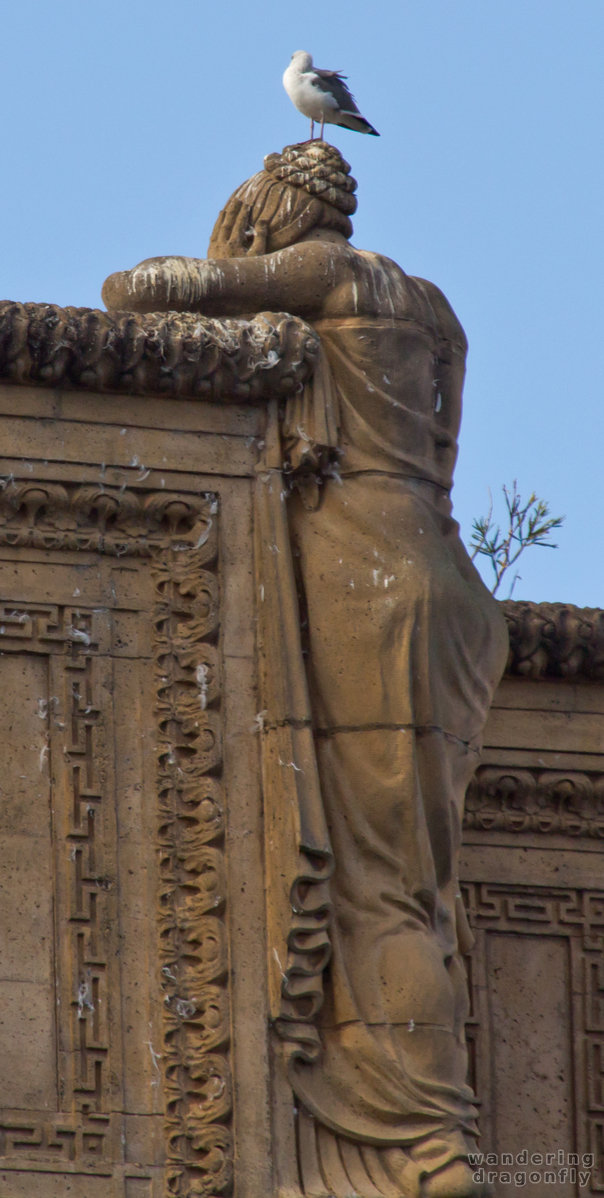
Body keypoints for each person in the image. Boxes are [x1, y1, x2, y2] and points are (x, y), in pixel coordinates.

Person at [103, 141, 508, 1198]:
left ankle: (418, 1138)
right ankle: (435, 1123)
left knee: (378, 880)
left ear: (277, 211)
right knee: (420, 882)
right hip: (450, 586)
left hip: (360, 575)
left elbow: (141, 293)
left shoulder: (327, 274)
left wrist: (232, 265)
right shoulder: (435, 311)